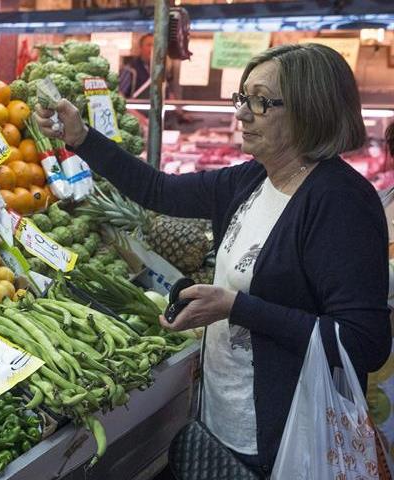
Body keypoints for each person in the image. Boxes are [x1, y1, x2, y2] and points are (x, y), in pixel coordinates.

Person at [37, 43, 392, 475]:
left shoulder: (340, 202)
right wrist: (81, 138)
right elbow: (159, 192)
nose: (242, 114)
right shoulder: (253, 178)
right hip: (224, 415)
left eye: (261, 101)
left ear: (309, 109)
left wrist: (236, 307)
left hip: (287, 437)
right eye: (242, 98)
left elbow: (363, 343)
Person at [119, 33, 154, 99]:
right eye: (149, 45)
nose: (152, 49)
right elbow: (119, 95)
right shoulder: (130, 69)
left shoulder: (160, 70)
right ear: (140, 48)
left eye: (155, 45)